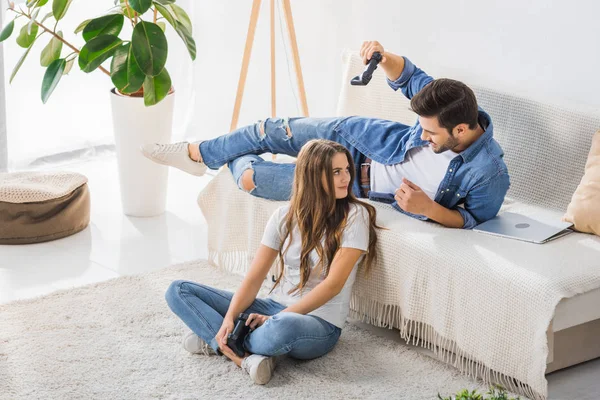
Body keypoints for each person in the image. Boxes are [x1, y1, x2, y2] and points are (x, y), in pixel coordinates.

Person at [142, 41, 510, 229]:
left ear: (461, 130)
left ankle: (225, 156)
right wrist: (382, 54)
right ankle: (199, 155)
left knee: (254, 178)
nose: (424, 136)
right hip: (355, 138)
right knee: (268, 131)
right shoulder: (444, 101)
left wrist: (429, 209)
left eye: (430, 133)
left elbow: (472, 219)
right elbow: (408, 74)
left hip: (349, 183)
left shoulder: (489, 173)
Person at [165, 139, 380, 384]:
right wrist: (229, 317)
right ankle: (244, 355)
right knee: (178, 290)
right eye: (336, 172)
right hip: (271, 306)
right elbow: (255, 277)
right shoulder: (283, 216)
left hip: (318, 322)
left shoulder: (355, 216)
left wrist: (273, 319)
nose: (346, 178)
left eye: (346, 170)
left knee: (281, 327)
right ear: (312, 176)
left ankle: (217, 340)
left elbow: (333, 285)